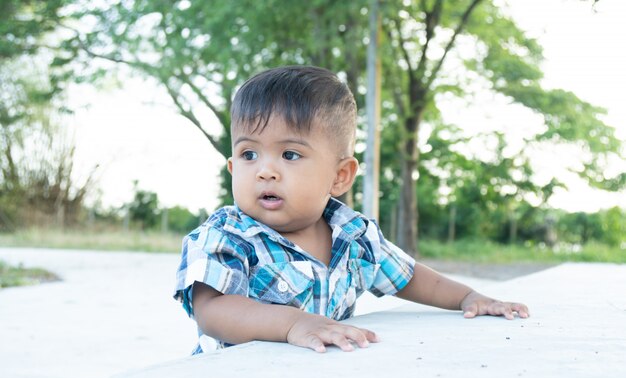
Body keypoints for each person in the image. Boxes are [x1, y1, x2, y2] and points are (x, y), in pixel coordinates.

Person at [174, 65, 529, 354]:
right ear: (233, 168)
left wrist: (468, 297)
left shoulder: (353, 236)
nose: (265, 170)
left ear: (340, 176)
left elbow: (410, 277)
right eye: (249, 154)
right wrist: (292, 324)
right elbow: (212, 310)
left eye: (290, 154)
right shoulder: (227, 236)